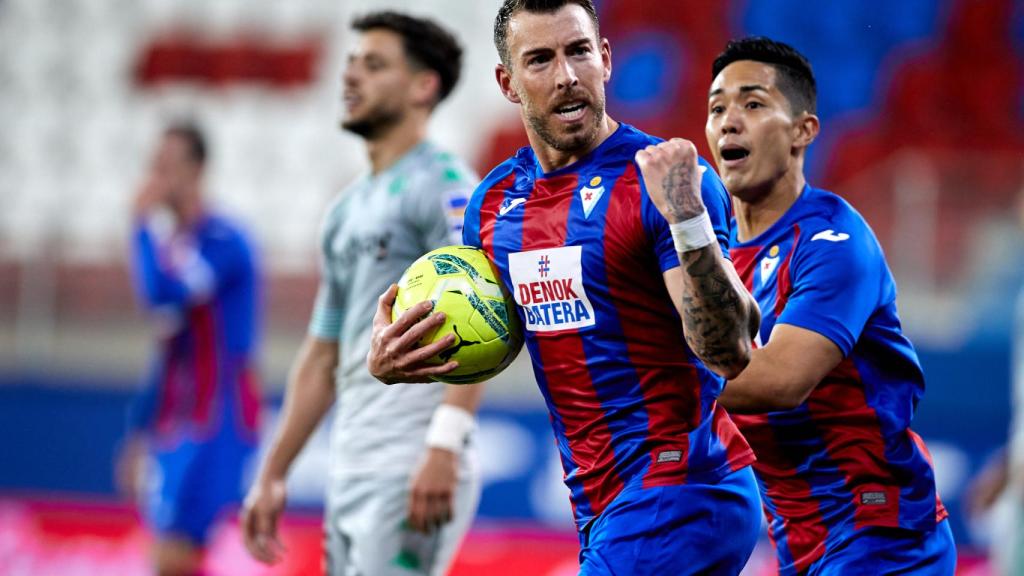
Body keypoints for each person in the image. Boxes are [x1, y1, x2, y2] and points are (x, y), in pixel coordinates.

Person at [368, 1, 763, 574]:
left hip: (686, 487)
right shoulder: (495, 205)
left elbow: (728, 352)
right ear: (507, 82)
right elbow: (492, 330)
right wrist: (400, 356)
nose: (566, 75)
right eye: (540, 59)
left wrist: (687, 221)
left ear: (605, 59)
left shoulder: (665, 182)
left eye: (579, 51)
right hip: (600, 503)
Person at [240, 11, 483, 576]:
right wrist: (274, 471)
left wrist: (444, 445)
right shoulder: (346, 209)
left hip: (409, 459)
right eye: (351, 62)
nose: (351, 76)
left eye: (374, 65)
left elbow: (484, 317)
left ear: (424, 86)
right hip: (350, 464)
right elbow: (324, 351)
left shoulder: (445, 186)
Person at [706, 37, 956, 574]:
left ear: (803, 131)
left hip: (884, 537)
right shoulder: (714, 256)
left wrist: (642, 375)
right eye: (717, 107)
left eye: (752, 104)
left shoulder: (834, 242)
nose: (729, 121)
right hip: (801, 541)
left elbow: (779, 384)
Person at [116, 122, 263, 576]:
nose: (158, 177)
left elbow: (163, 293)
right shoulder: (176, 246)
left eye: (170, 166)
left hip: (219, 415)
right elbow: (167, 350)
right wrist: (140, 429)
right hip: (177, 420)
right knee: (169, 553)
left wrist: (139, 225)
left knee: (175, 553)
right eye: (155, 165)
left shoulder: (223, 241)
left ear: (198, 170)